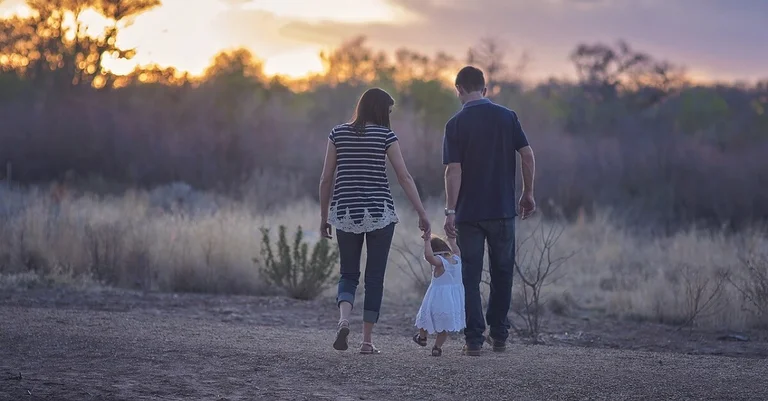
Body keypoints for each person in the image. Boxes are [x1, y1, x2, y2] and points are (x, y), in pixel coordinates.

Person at [319, 87, 431, 355]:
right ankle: (367, 341)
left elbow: (325, 179)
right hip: (380, 213)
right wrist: (422, 213)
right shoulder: (385, 136)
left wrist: (324, 217)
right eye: (389, 111)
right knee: (374, 278)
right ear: (381, 110)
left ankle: (344, 320)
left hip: (345, 213)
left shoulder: (338, 133)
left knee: (348, 273)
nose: (390, 116)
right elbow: (404, 177)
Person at [442, 66, 536, 356]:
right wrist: (527, 193)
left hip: (469, 214)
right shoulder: (507, 117)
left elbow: (453, 171)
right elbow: (527, 155)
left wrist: (450, 210)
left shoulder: (455, 124)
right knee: (502, 272)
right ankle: (499, 335)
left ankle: (473, 340)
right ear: (485, 88)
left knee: (470, 276)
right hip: (502, 210)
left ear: (458, 89)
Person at [413, 235, 465, 357]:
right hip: (452, 301)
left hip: (437, 299)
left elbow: (429, 257)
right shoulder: (457, 259)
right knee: (443, 327)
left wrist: (426, 242)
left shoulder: (440, 263)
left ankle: (422, 337)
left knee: (424, 318)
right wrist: (451, 239)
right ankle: (437, 347)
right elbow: (457, 250)